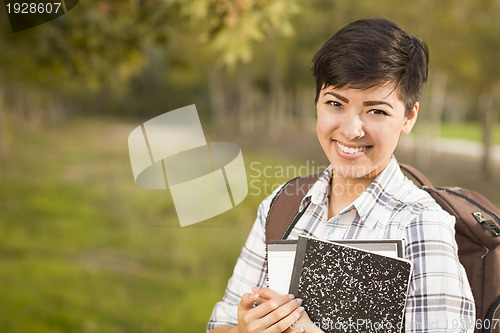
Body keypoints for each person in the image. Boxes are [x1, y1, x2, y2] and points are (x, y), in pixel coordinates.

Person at [207, 18, 476, 333]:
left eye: (376, 110)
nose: (351, 130)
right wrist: (243, 330)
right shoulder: (282, 206)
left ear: (408, 116)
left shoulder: (421, 224)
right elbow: (219, 325)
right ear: (317, 103)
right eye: (336, 103)